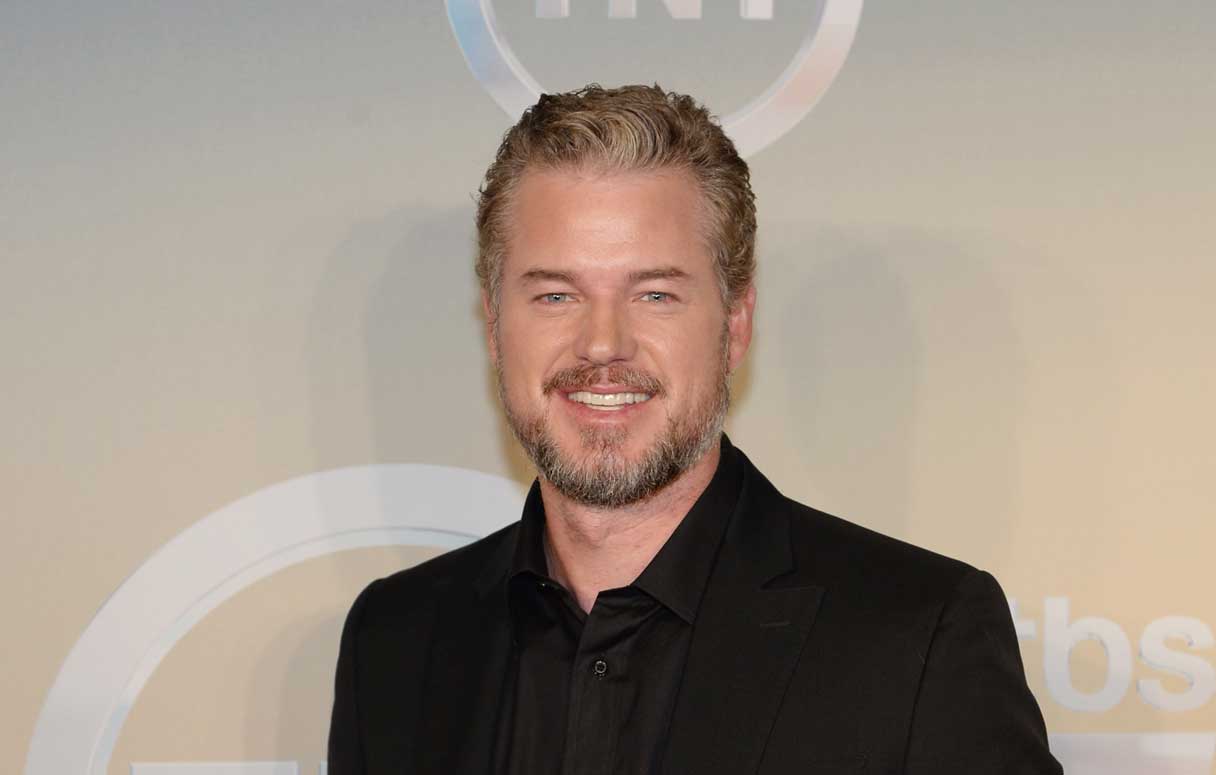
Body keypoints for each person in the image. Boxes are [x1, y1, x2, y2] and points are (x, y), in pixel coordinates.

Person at [327, 84, 1062, 774]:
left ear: (735, 324)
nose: (602, 344)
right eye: (555, 295)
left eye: (654, 294)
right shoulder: (393, 641)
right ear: (494, 326)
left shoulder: (920, 639)